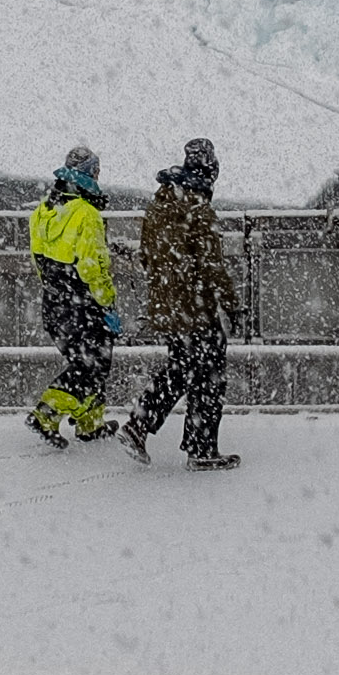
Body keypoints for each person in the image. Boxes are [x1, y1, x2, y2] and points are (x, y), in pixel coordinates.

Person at [121, 134, 240, 470]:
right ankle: (197, 448)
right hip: (196, 308)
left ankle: (141, 426)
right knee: (208, 375)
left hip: (168, 307)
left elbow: (147, 256)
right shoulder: (199, 210)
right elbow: (212, 266)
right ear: (211, 171)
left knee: (184, 368)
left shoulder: (158, 206)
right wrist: (231, 304)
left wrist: (167, 290)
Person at [26, 143, 121, 446]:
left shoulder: (43, 210)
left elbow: (38, 259)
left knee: (84, 361)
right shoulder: (87, 214)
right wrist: (107, 302)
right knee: (92, 365)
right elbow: (92, 266)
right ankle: (46, 413)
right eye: (97, 171)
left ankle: (90, 422)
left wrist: (54, 290)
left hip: (55, 301)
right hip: (84, 303)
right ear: (90, 173)